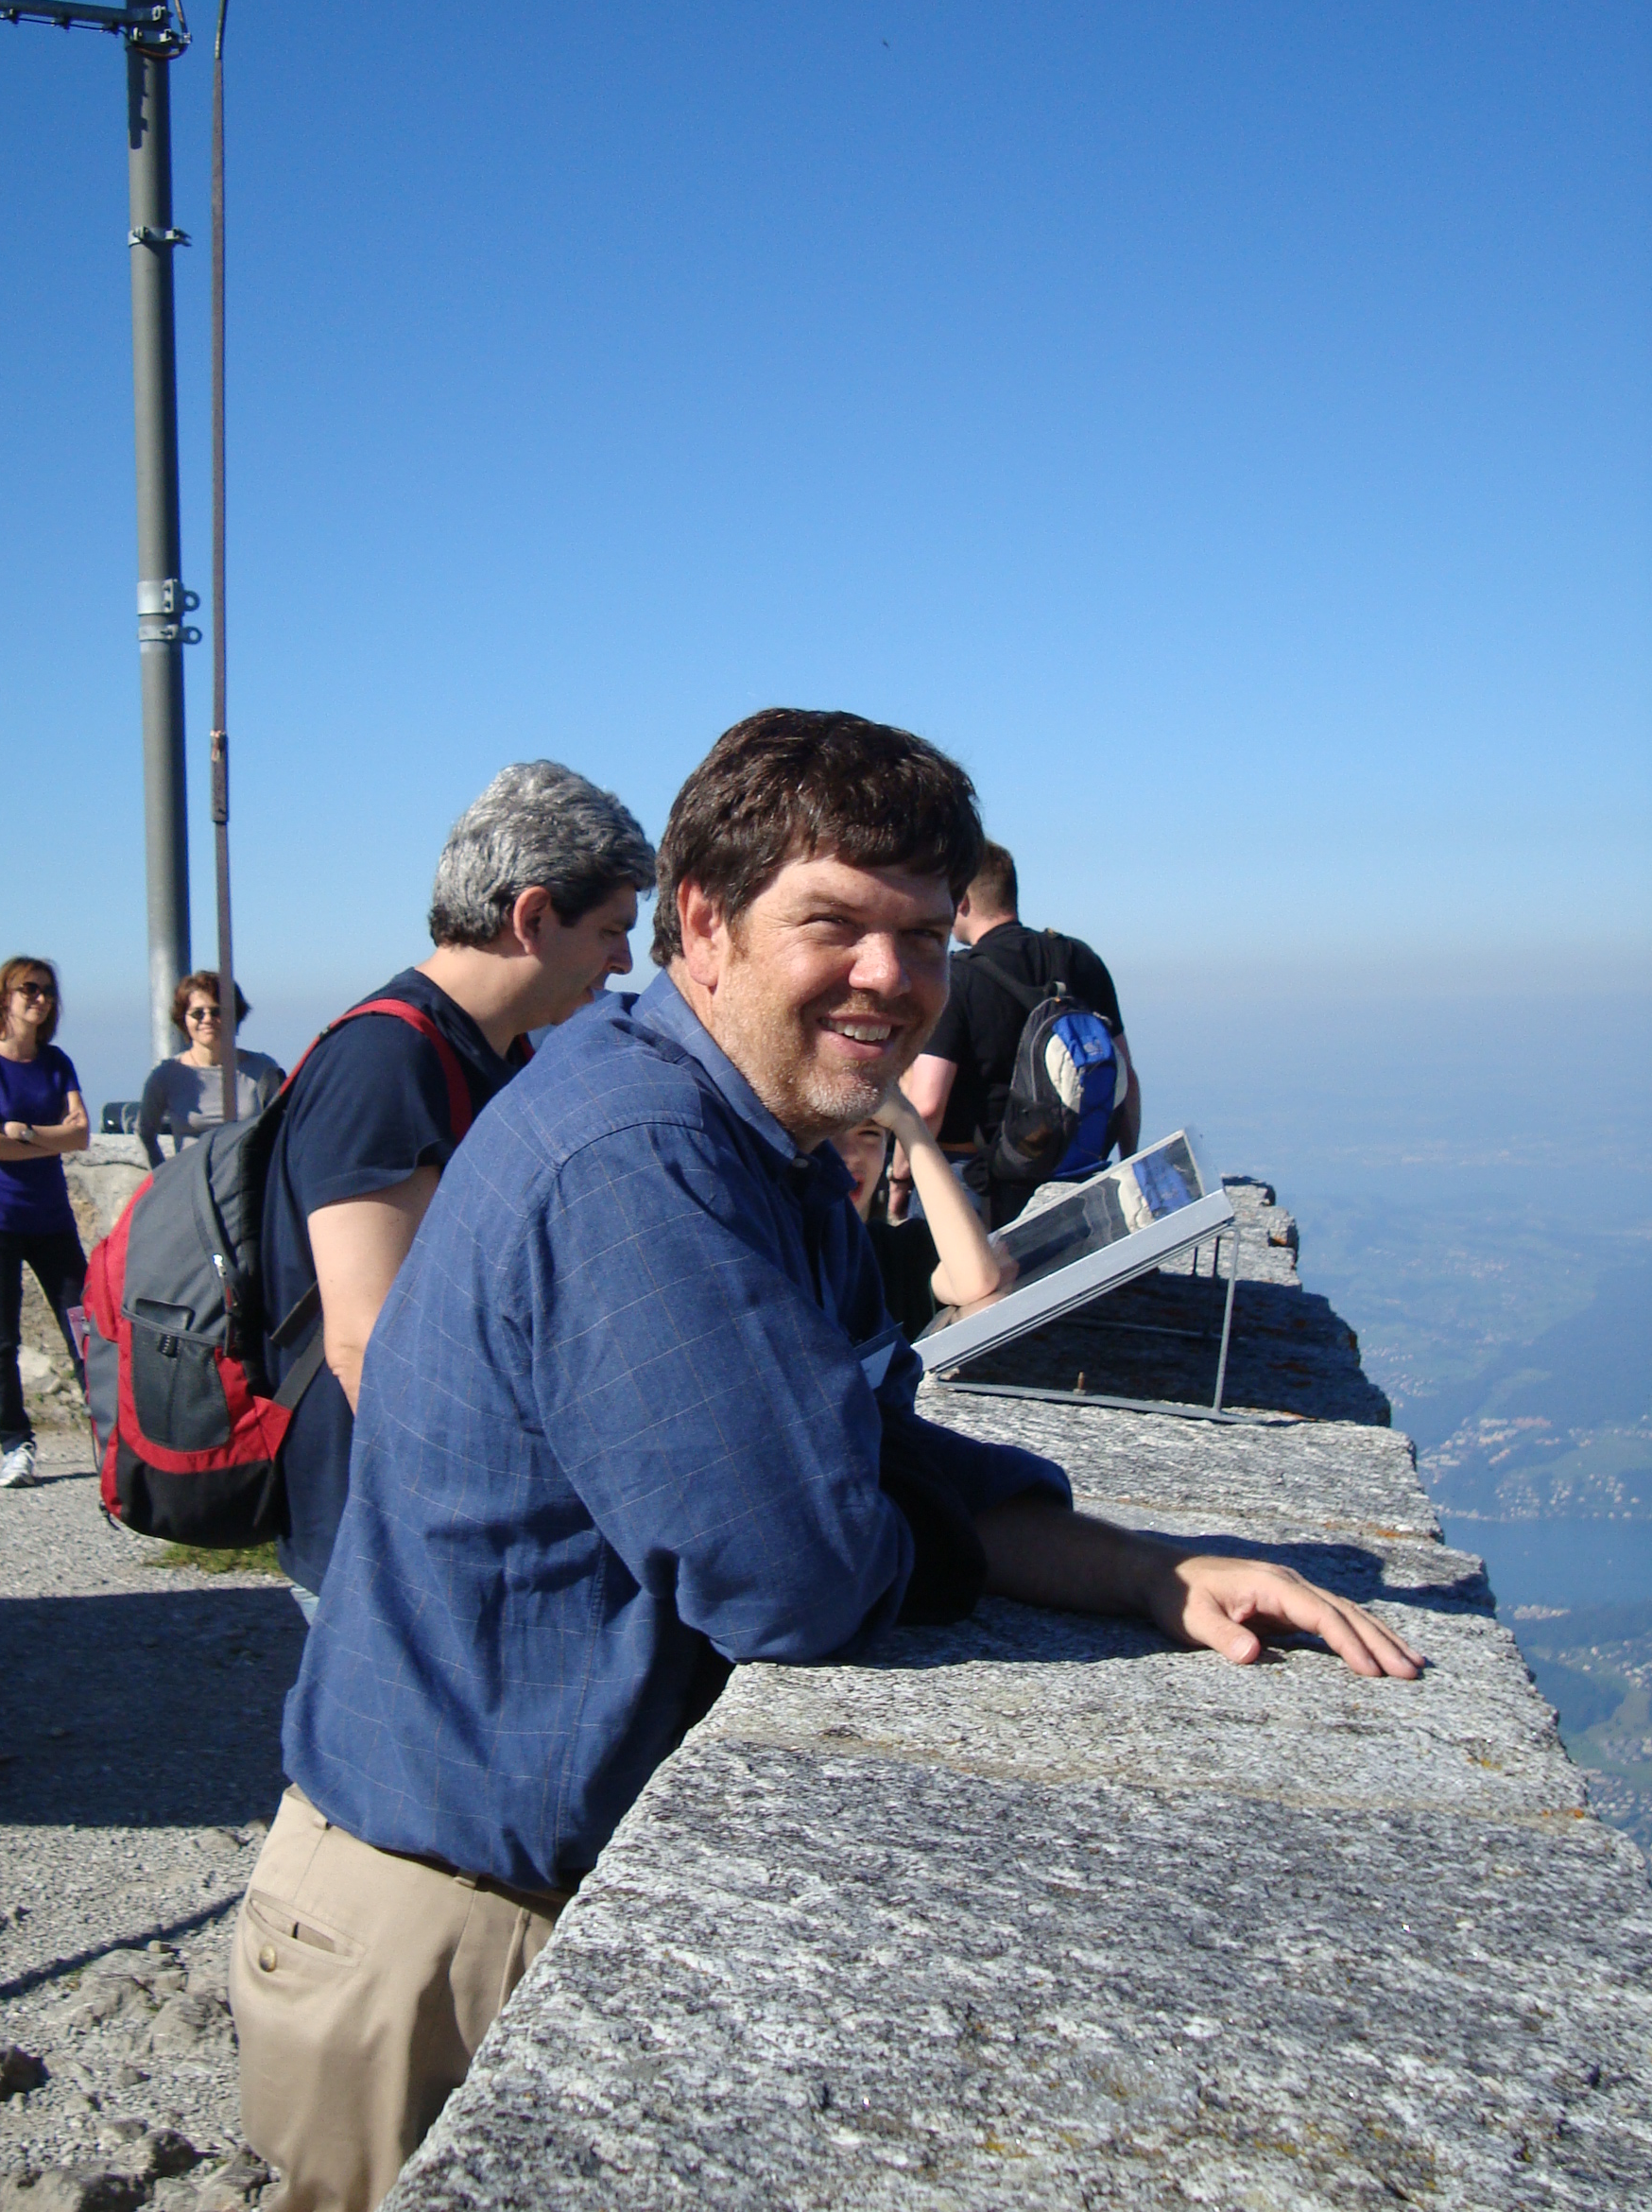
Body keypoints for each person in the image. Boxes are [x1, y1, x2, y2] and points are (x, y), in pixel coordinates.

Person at [231, 709, 1420, 2212]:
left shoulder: (766, 1144)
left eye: (920, 934)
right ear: (703, 925)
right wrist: (891, 1518)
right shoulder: (635, 1159)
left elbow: (876, 1451)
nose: (892, 975)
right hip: (439, 1938)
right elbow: (794, 1575)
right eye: (835, 924)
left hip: (506, 1890)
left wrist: (1146, 1572)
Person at [263, 760, 657, 1620]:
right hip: (391, 1536)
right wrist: (469, 1534)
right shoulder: (386, 1062)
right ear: (533, 916)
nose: (624, 960)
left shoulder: (496, 1052)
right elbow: (366, 1343)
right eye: (611, 929)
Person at [902, 840, 1143, 1228]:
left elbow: (927, 1105)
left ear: (963, 901)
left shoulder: (958, 977)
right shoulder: (1079, 958)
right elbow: (1124, 1076)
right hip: (1071, 1173)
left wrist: (901, 1177)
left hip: (977, 1182)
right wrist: (1129, 1163)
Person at [0, 957, 92, 1490]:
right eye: (28, 988)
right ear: (5, 997)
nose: (40, 998)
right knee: (2, 1338)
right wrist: (48, 1137)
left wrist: (28, 1133)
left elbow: (81, 1135)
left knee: (86, 1327)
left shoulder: (57, 1062)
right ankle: (16, 1445)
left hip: (52, 1220)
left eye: (48, 991)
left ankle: (113, 1434)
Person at [830, 1081, 1016, 1341]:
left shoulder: (897, 1252)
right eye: (827, 1135)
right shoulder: (778, 1254)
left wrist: (907, 1121)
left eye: (870, 1133)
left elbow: (974, 1281)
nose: (850, 1155)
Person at [138, 973, 284, 1166]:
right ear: (183, 1019)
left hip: (247, 1178)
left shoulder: (263, 1069)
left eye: (217, 1012)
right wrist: (162, 1176)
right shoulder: (166, 1076)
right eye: (197, 1013)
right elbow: (145, 1133)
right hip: (190, 1179)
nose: (207, 1019)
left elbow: (283, 1127)